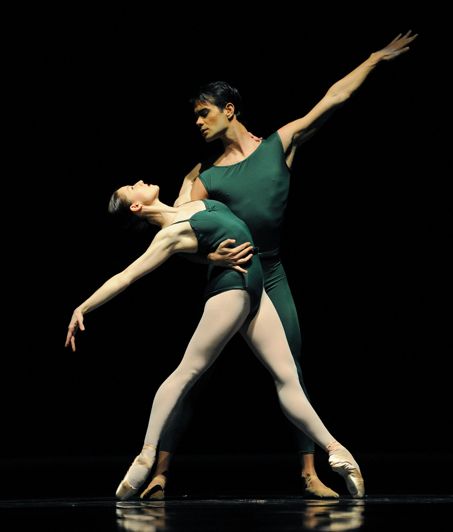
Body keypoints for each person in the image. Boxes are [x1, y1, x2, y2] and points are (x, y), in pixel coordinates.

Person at [142, 30, 417, 499]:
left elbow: (332, 99)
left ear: (229, 110)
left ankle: (310, 473)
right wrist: (210, 255)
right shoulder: (201, 177)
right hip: (228, 278)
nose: (198, 122)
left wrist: (374, 59)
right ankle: (160, 472)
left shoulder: (279, 145)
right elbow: (174, 239)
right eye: (194, 116)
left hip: (272, 273)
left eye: (203, 112)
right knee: (193, 373)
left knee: (292, 370)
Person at [65, 180, 365, 500]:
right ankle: (145, 456)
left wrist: (209, 256)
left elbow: (194, 176)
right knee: (188, 371)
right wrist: (83, 307)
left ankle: (338, 452)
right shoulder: (168, 235)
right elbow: (127, 276)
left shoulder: (184, 204)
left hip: (255, 287)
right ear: (136, 206)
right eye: (131, 187)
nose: (140, 181)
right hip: (231, 288)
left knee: (288, 376)